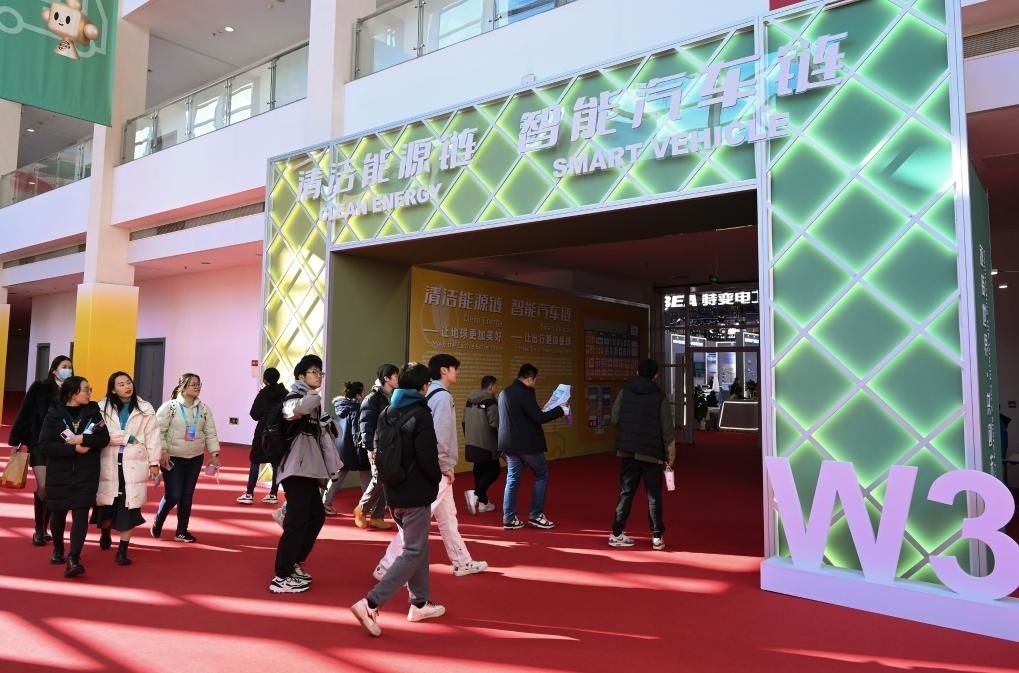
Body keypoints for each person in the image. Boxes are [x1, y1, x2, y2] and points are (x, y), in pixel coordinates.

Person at [350, 362, 445, 637]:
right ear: (423, 386)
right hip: (416, 493)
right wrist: (436, 478)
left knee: (419, 546)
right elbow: (428, 457)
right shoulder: (421, 414)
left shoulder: (387, 411)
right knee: (413, 550)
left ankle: (419, 603)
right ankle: (370, 603)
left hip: (393, 491)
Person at [373, 354, 487, 579]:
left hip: (421, 467)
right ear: (444, 370)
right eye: (455, 368)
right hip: (434, 469)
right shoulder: (442, 397)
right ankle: (386, 566)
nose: (457, 372)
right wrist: (445, 467)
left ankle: (462, 561)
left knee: (448, 518)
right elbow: (441, 436)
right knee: (415, 523)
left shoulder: (423, 396)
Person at [269, 354, 341, 594]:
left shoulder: (314, 404)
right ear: (301, 376)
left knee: (316, 516)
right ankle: (281, 576)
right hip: (295, 469)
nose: (319, 376)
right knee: (297, 520)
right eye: (314, 372)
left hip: (309, 470)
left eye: (321, 372)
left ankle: (294, 562)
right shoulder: (293, 398)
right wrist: (313, 396)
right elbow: (295, 409)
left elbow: (333, 432)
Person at [38, 375, 110, 577]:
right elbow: (44, 445)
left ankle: (73, 558)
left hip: (86, 473)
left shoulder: (94, 412)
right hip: (59, 473)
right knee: (58, 514)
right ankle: (58, 548)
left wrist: (84, 439)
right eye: (86, 389)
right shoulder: (54, 414)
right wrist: (73, 450)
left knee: (81, 515)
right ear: (72, 393)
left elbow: (104, 439)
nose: (89, 393)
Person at [94, 371, 162, 565]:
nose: (127, 386)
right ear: (113, 390)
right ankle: (105, 532)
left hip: (134, 462)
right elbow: (100, 434)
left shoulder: (145, 408)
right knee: (107, 504)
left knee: (130, 505)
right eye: (121, 384)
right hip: (108, 460)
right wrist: (126, 438)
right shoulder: (101, 407)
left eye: (128, 382)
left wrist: (154, 463)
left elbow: (153, 437)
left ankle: (122, 550)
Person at [608, 358, 675, 551]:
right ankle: (657, 537)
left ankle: (617, 533)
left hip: (627, 450)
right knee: (653, 495)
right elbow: (667, 430)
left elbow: (614, 418)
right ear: (656, 375)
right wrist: (670, 457)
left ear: (637, 372)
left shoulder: (625, 391)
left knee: (626, 492)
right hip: (652, 453)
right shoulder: (659, 396)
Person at [10, 355, 73, 546]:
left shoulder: (72, 390)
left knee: (53, 487)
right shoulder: (39, 388)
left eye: (70, 367)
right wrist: (16, 440)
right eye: (64, 366)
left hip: (62, 445)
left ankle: (45, 527)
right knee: (44, 485)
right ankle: (39, 528)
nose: (68, 370)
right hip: (38, 442)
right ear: (54, 370)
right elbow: (24, 412)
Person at [153, 373, 221, 543]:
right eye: (193, 384)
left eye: (199, 384)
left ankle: (182, 530)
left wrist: (214, 454)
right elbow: (158, 432)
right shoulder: (169, 408)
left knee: (187, 495)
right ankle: (159, 519)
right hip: (173, 457)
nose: (197, 387)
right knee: (174, 494)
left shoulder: (204, 409)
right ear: (183, 387)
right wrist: (163, 451)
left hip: (195, 458)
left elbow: (210, 432)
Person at [498, 363, 567, 530]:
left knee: (512, 479)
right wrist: (561, 410)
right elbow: (539, 418)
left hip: (508, 444)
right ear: (529, 379)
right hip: (527, 444)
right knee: (542, 474)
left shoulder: (504, 392)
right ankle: (536, 515)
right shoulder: (525, 393)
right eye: (534, 380)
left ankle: (509, 518)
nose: (534, 383)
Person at [353, 364, 399, 530]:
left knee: (388, 481)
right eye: (395, 375)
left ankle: (377, 516)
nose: (398, 378)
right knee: (378, 479)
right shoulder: (372, 398)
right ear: (386, 378)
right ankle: (361, 509)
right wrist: (370, 447)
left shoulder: (394, 397)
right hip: (377, 446)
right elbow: (366, 424)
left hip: (391, 446)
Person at [238, 368, 288, 505]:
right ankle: (273, 494)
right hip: (279, 431)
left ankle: (249, 493)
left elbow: (254, 414)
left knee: (255, 460)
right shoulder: (285, 393)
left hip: (263, 431)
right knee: (276, 463)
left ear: (265, 380)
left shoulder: (263, 394)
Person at [323, 381, 365, 516]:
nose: (364, 395)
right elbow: (356, 430)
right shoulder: (356, 408)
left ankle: (325, 503)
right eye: (363, 392)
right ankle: (368, 504)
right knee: (366, 473)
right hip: (353, 446)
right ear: (358, 395)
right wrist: (361, 444)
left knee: (338, 475)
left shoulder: (341, 406)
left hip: (340, 445)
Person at [463, 375, 499, 515]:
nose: (496, 389)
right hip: (487, 444)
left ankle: (484, 503)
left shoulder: (469, 400)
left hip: (471, 442)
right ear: (491, 386)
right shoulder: (490, 401)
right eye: (495, 386)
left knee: (479, 468)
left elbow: (464, 421)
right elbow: (495, 424)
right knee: (494, 471)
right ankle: (475, 493)